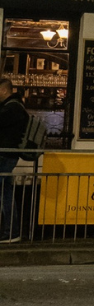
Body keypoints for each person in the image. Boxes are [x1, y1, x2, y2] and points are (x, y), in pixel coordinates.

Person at [0, 75, 29, 244]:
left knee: (5, 193)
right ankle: (11, 230)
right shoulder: (15, 106)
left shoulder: (12, 109)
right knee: (5, 191)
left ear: (4, 90)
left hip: (5, 156)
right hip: (7, 155)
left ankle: (11, 231)